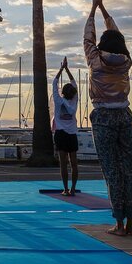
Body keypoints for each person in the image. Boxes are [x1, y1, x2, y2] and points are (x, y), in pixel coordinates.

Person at [84, 0, 132, 236]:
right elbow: (116, 34)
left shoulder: (96, 60)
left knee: (112, 171)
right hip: (124, 116)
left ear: (102, 45)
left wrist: (93, 8)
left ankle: (119, 223)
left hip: (104, 117)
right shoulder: (126, 62)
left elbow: (87, 37)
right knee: (130, 168)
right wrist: (104, 9)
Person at [52, 57, 78, 196]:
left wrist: (61, 69)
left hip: (61, 134)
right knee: (73, 163)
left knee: (63, 164)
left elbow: (54, 83)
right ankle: (72, 189)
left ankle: (66, 189)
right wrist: (67, 69)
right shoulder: (74, 101)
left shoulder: (58, 100)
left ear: (63, 93)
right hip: (72, 134)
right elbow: (74, 83)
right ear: (73, 93)